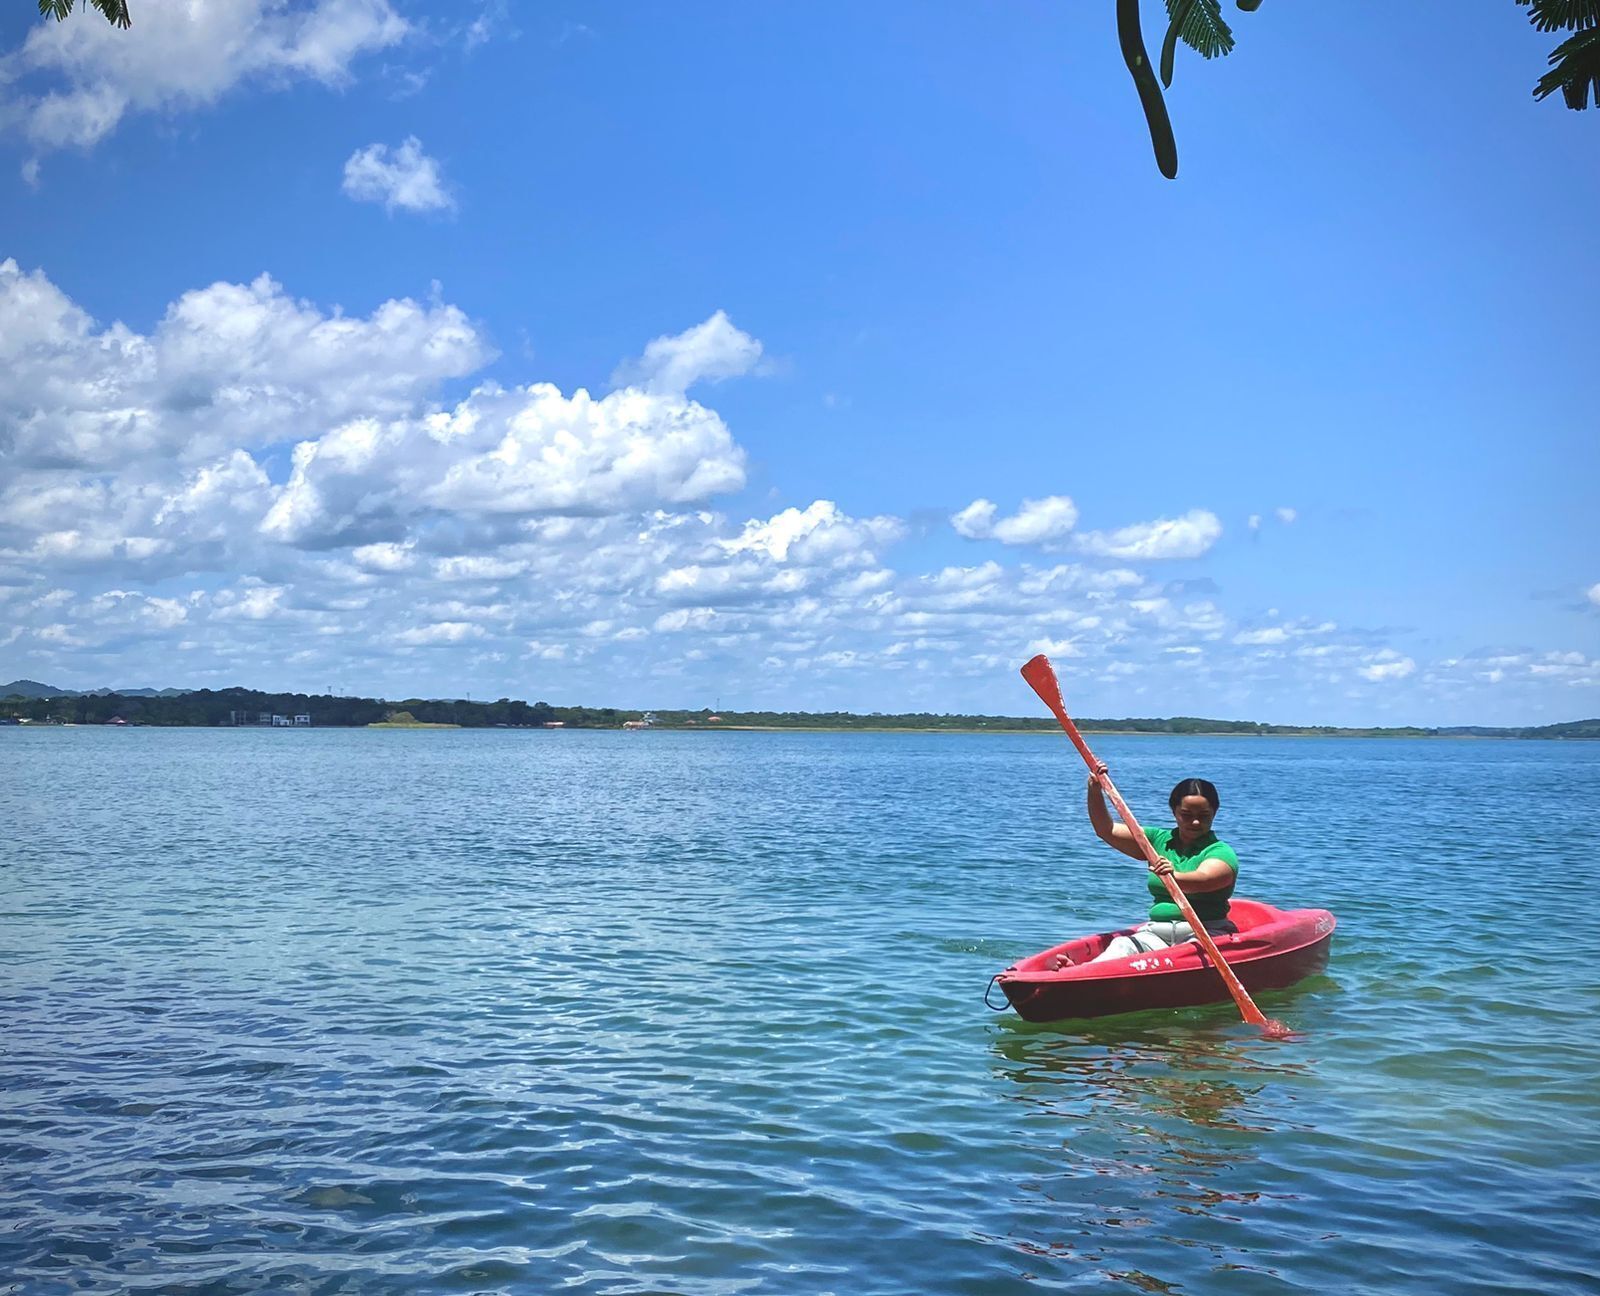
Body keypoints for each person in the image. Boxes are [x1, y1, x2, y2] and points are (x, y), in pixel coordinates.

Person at [1083, 762, 1238, 963]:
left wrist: (1174, 876)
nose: (1195, 822)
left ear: (1215, 813)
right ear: (1174, 812)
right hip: (1157, 932)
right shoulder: (1157, 840)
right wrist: (1095, 790)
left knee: (1184, 955)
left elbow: (1204, 880)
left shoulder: (1221, 851)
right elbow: (1107, 830)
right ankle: (1083, 973)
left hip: (1206, 932)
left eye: (1203, 816)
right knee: (1121, 945)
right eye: (1187, 815)